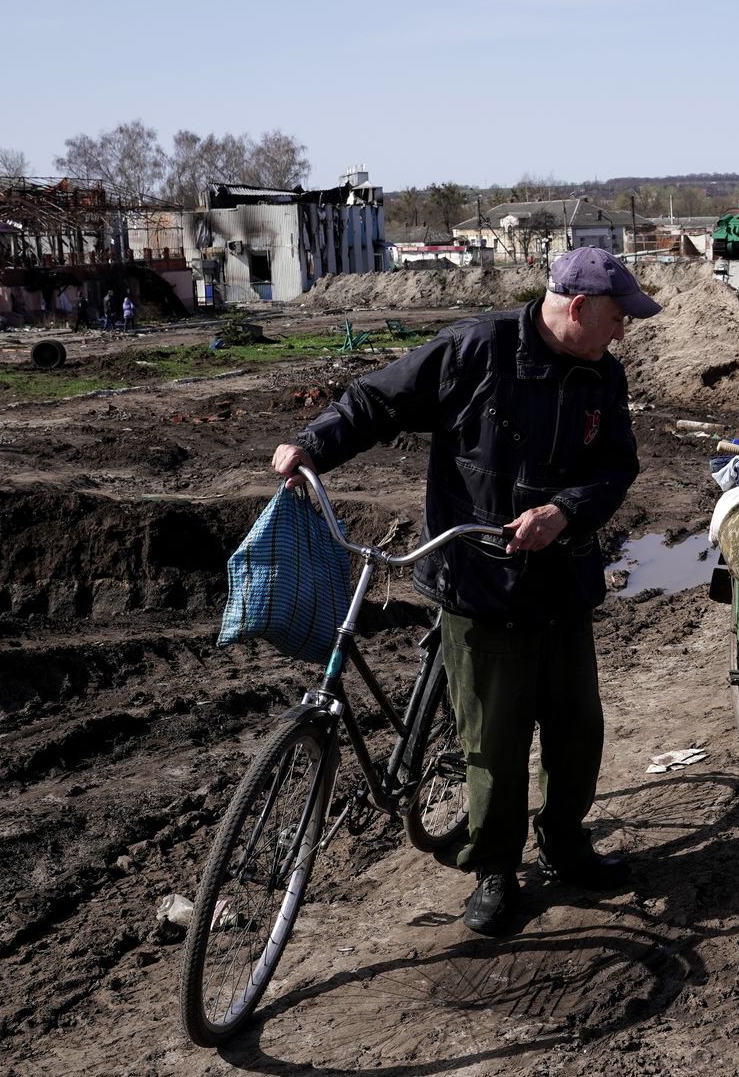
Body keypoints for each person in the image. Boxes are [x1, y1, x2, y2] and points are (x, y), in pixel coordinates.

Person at [269, 246, 654, 936]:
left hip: (563, 582)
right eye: (619, 317)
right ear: (579, 308)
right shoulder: (477, 350)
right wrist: (312, 445)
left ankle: (565, 841)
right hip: (481, 583)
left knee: (577, 731)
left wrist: (565, 511)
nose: (625, 330)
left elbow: (616, 465)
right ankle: (497, 870)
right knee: (493, 743)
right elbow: (375, 401)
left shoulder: (604, 377)